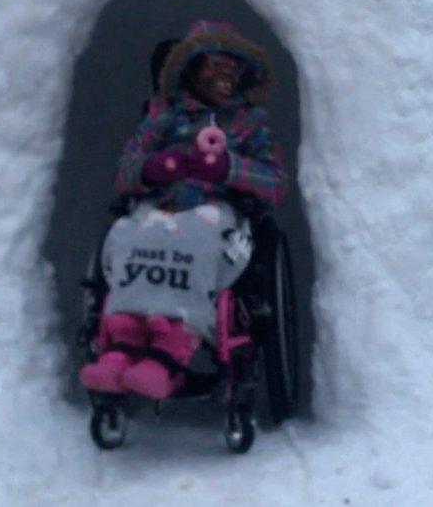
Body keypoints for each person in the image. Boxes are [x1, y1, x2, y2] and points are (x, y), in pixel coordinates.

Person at [80, 20, 286, 400]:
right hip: (158, 208)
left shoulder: (250, 125)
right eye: (215, 63)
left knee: (198, 236)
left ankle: (170, 355)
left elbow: (274, 184)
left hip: (218, 215)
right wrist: (152, 168)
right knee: (126, 233)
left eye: (234, 66)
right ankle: (122, 343)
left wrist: (229, 169)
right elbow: (124, 172)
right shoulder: (161, 117)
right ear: (191, 68)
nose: (225, 73)